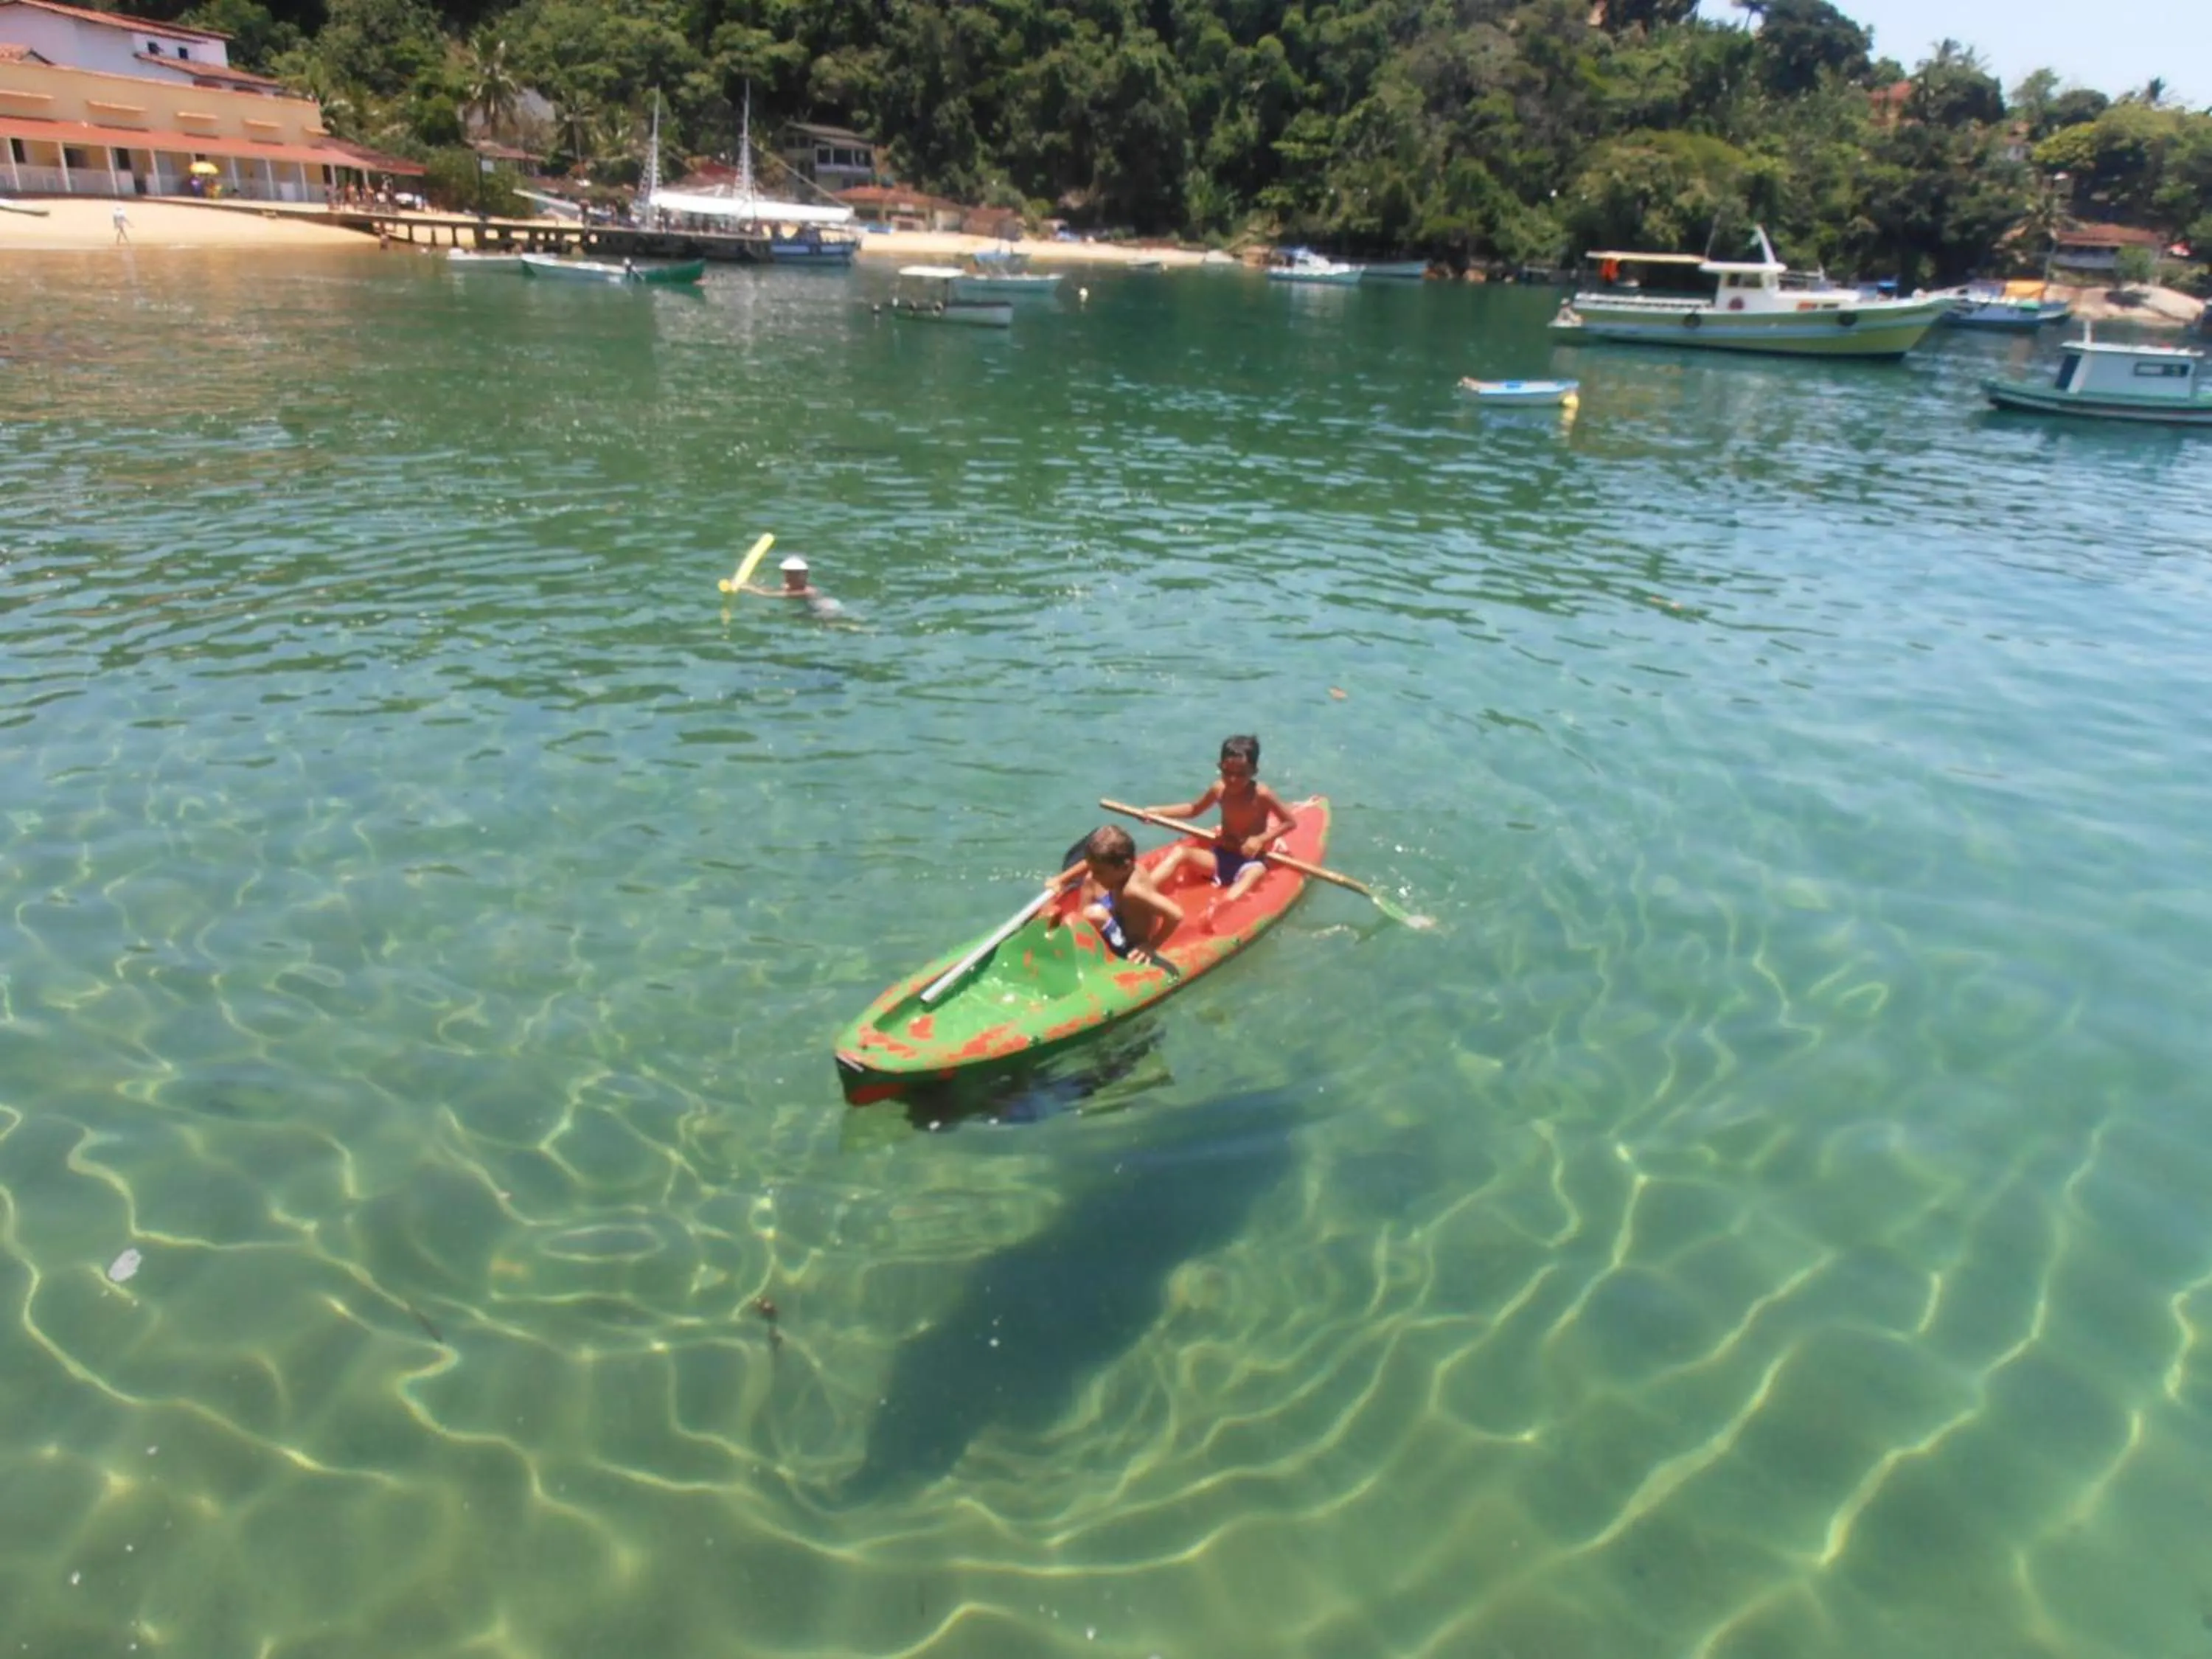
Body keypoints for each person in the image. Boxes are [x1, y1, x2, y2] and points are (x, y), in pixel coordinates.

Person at [1141, 734, 1299, 902]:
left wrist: (1260, 839)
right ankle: (1142, 890)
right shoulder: (1219, 789)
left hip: (1250, 861)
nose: (1233, 779)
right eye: (1227, 772)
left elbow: (1290, 822)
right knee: (1181, 853)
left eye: (1241, 774)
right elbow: (1194, 809)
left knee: (1255, 873)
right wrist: (1158, 812)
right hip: (1221, 856)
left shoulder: (1262, 794)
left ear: (1254, 771)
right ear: (1220, 767)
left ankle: (1221, 908)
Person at [1046, 826, 1180, 967]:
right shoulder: (1123, 872)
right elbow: (1090, 864)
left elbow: (1176, 914)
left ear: (1125, 867)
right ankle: (1078, 932)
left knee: (1094, 914)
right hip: (1119, 914)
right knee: (1090, 879)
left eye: (1100, 872)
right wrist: (1062, 879)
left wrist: (1151, 946)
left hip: (1128, 944)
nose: (1096, 876)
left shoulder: (1133, 890)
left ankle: (1079, 937)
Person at [742, 554, 845, 619]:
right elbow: (775, 590)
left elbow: (770, 595)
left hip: (828, 609)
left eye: (790, 574)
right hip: (818, 607)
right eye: (787, 574)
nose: (787, 577)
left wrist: (749, 588)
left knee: (797, 618)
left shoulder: (807, 591)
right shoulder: (793, 586)